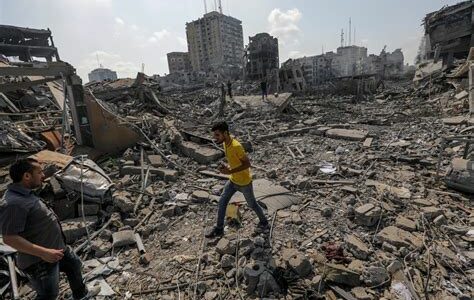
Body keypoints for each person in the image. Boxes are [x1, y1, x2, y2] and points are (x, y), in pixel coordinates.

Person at [0, 158, 98, 300]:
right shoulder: (13, 204)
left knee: (74, 265)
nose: (43, 175)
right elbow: (10, 238)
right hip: (39, 261)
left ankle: (81, 296)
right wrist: (44, 253)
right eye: (39, 172)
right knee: (49, 294)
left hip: (57, 250)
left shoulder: (25, 193)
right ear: (26, 176)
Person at [205, 122, 269, 238]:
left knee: (252, 204)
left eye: (217, 135)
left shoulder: (236, 146)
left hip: (244, 183)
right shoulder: (225, 144)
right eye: (215, 135)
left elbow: (247, 164)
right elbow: (235, 162)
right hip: (233, 181)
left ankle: (264, 222)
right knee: (222, 202)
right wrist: (227, 168)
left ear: (225, 133)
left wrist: (229, 171)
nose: (215, 138)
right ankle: (219, 229)